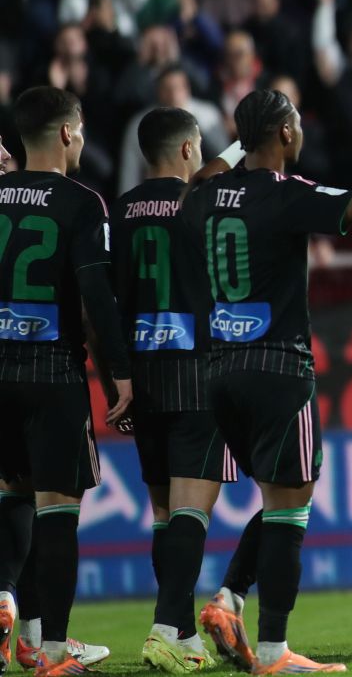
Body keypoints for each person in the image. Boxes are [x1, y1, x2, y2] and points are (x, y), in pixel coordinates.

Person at [181, 89, 352, 673]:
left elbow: (201, 177)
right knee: (291, 508)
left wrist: (239, 146)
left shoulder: (204, 196)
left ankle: (228, 599)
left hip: (220, 371)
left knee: (281, 497)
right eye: (296, 124)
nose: (301, 133)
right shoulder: (287, 194)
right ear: (284, 133)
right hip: (279, 368)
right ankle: (273, 651)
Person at [0, 87, 132, 676]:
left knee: (12, 496)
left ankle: (12, 614)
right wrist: (120, 373)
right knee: (57, 513)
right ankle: (54, 650)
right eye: (79, 130)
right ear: (66, 133)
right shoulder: (82, 202)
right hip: (52, 371)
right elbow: (97, 296)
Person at [111, 108, 245, 672]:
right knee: (192, 510)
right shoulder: (204, 203)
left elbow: (105, 303)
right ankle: (166, 629)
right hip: (198, 369)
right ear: (189, 149)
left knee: (165, 513)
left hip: (143, 375)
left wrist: (116, 375)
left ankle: (184, 633)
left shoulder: (120, 210)